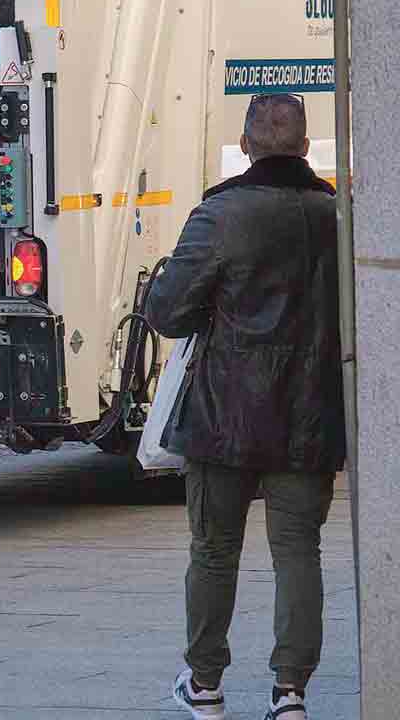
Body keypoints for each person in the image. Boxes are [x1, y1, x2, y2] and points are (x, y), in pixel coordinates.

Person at [147, 93, 345, 720]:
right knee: (299, 552)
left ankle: (204, 684)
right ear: (306, 147)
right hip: (309, 417)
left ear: (248, 144)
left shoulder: (221, 215)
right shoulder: (335, 217)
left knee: (213, 549)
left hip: (224, 417)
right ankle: (291, 693)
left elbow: (167, 312)